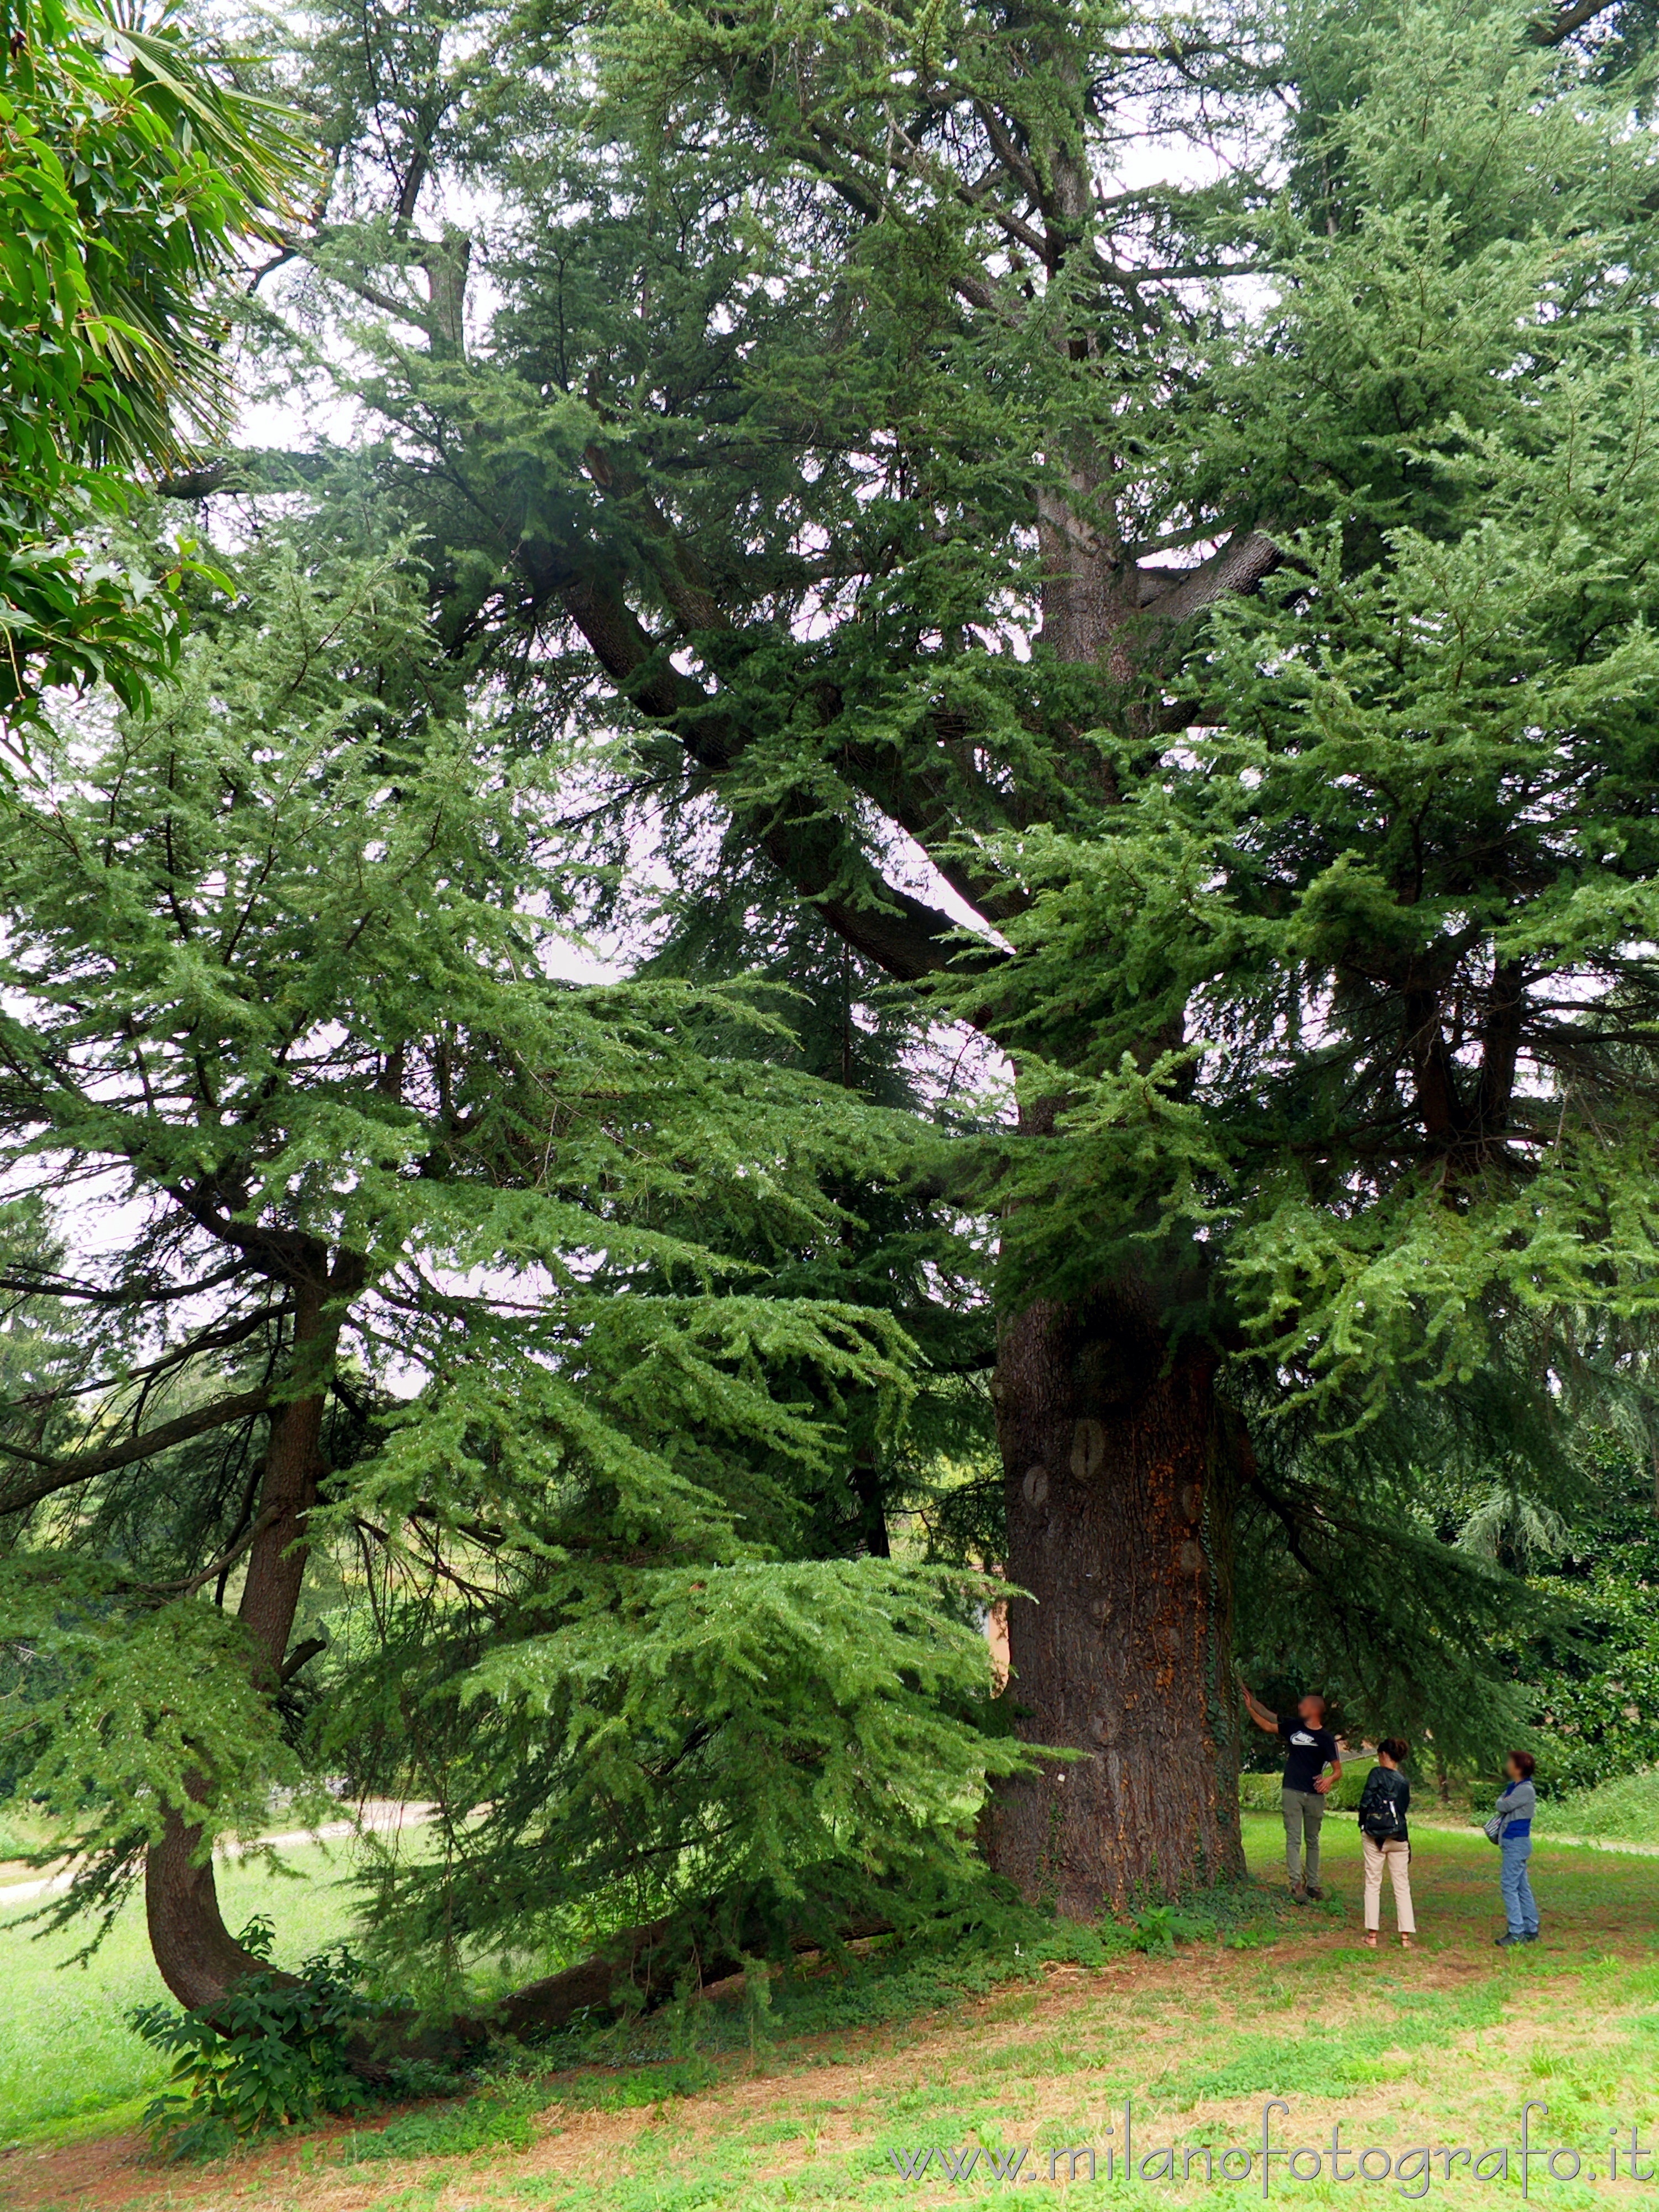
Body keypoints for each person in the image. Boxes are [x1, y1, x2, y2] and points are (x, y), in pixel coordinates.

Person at [1239, 1679, 1342, 1901]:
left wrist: (1329, 1780)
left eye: (1303, 1705)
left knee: (1313, 1841)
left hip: (1314, 1795)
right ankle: (1296, 1884)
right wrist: (1250, 1706)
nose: (1299, 1708)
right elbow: (1268, 1723)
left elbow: (1338, 1770)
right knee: (1293, 1839)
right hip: (1292, 1791)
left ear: (1315, 1710)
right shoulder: (1293, 1727)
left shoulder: (1326, 1738)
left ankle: (1313, 1885)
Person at [1357, 1738, 1415, 1950]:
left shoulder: (1376, 1774)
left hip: (1375, 1835)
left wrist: (1363, 1823)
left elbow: (1365, 1801)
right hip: (1399, 1836)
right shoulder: (1403, 1781)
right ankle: (1406, 1937)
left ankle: (1372, 1935)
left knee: (1373, 1882)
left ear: (1383, 1755)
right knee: (1402, 1885)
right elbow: (1403, 1808)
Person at [1494, 1750, 1540, 1948]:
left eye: (1511, 1762)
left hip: (1517, 1842)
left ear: (1519, 1767)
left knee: (1509, 1886)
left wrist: (1503, 1802)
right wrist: (1502, 1802)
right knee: (1521, 1886)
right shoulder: (1514, 1786)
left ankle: (1516, 1932)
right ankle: (1531, 1928)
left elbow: (1503, 1805)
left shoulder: (1525, 1789)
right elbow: (1502, 1802)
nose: (1508, 1765)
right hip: (1513, 1842)